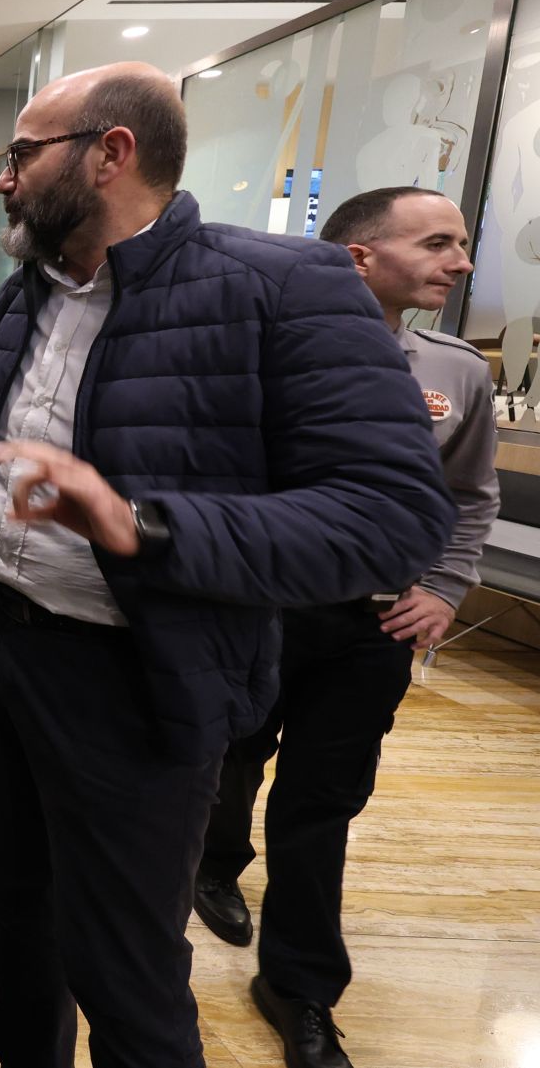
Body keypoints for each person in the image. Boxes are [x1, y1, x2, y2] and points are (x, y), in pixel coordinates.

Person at [0, 63, 454, 1068]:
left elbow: (390, 520)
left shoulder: (280, 289)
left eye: (21, 155)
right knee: (18, 919)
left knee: (126, 967)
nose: (4, 181)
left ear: (110, 153)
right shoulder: (28, 292)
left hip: (138, 683)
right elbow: (5, 464)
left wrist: (143, 525)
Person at [193, 186, 497, 1067]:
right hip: (265, 607)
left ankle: (300, 984)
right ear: (360, 256)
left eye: (464, 242)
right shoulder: (258, 351)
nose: (461, 260)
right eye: (439, 242)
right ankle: (216, 862)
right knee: (232, 756)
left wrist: (444, 585)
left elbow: (469, 497)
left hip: (375, 622)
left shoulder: (455, 372)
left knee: (324, 799)